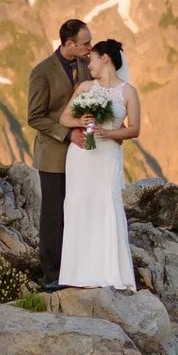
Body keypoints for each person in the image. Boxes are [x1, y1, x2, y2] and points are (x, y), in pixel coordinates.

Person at [55, 39, 142, 290]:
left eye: (91, 59)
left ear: (105, 59)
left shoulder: (128, 93)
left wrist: (109, 133)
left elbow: (134, 129)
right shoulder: (85, 87)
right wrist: (81, 120)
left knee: (106, 204)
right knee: (79, 204)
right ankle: (76, 273)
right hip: (81, 155)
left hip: (107, 156)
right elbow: (64, 117)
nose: (88, 64)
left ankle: (110, 273)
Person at [24, 19, 96, 289]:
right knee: (54, 214)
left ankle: (76, 268)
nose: (90, 46)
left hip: (82, 154)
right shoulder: (41, 72)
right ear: (69, 44)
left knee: (77, 210)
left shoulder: (86, 67)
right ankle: (52, 275)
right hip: (53, 154)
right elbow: (35, 117)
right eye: (85, 43)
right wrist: (67, 133)